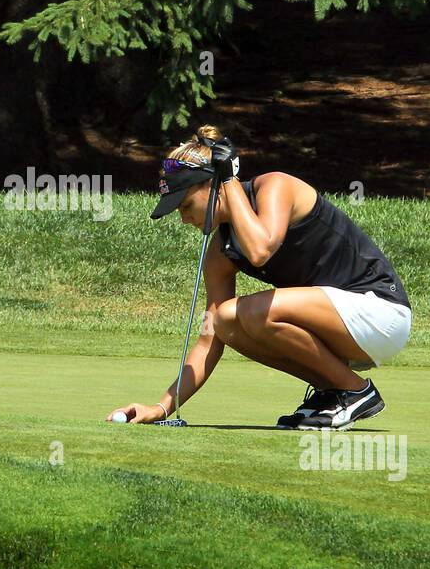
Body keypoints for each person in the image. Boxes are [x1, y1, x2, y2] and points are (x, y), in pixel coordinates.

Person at [108, 125, 412, 430]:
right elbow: (209, 338)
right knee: (224, 321)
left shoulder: (275, 187)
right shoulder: (220, 252)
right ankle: (333, 391)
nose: (184, 217)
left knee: (246, 312)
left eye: (186, 205)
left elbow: (260, 250)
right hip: (341, 330)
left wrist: (228, 179)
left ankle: (357, 392)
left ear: (211, 185)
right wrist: (162, 407)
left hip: (381, 312)